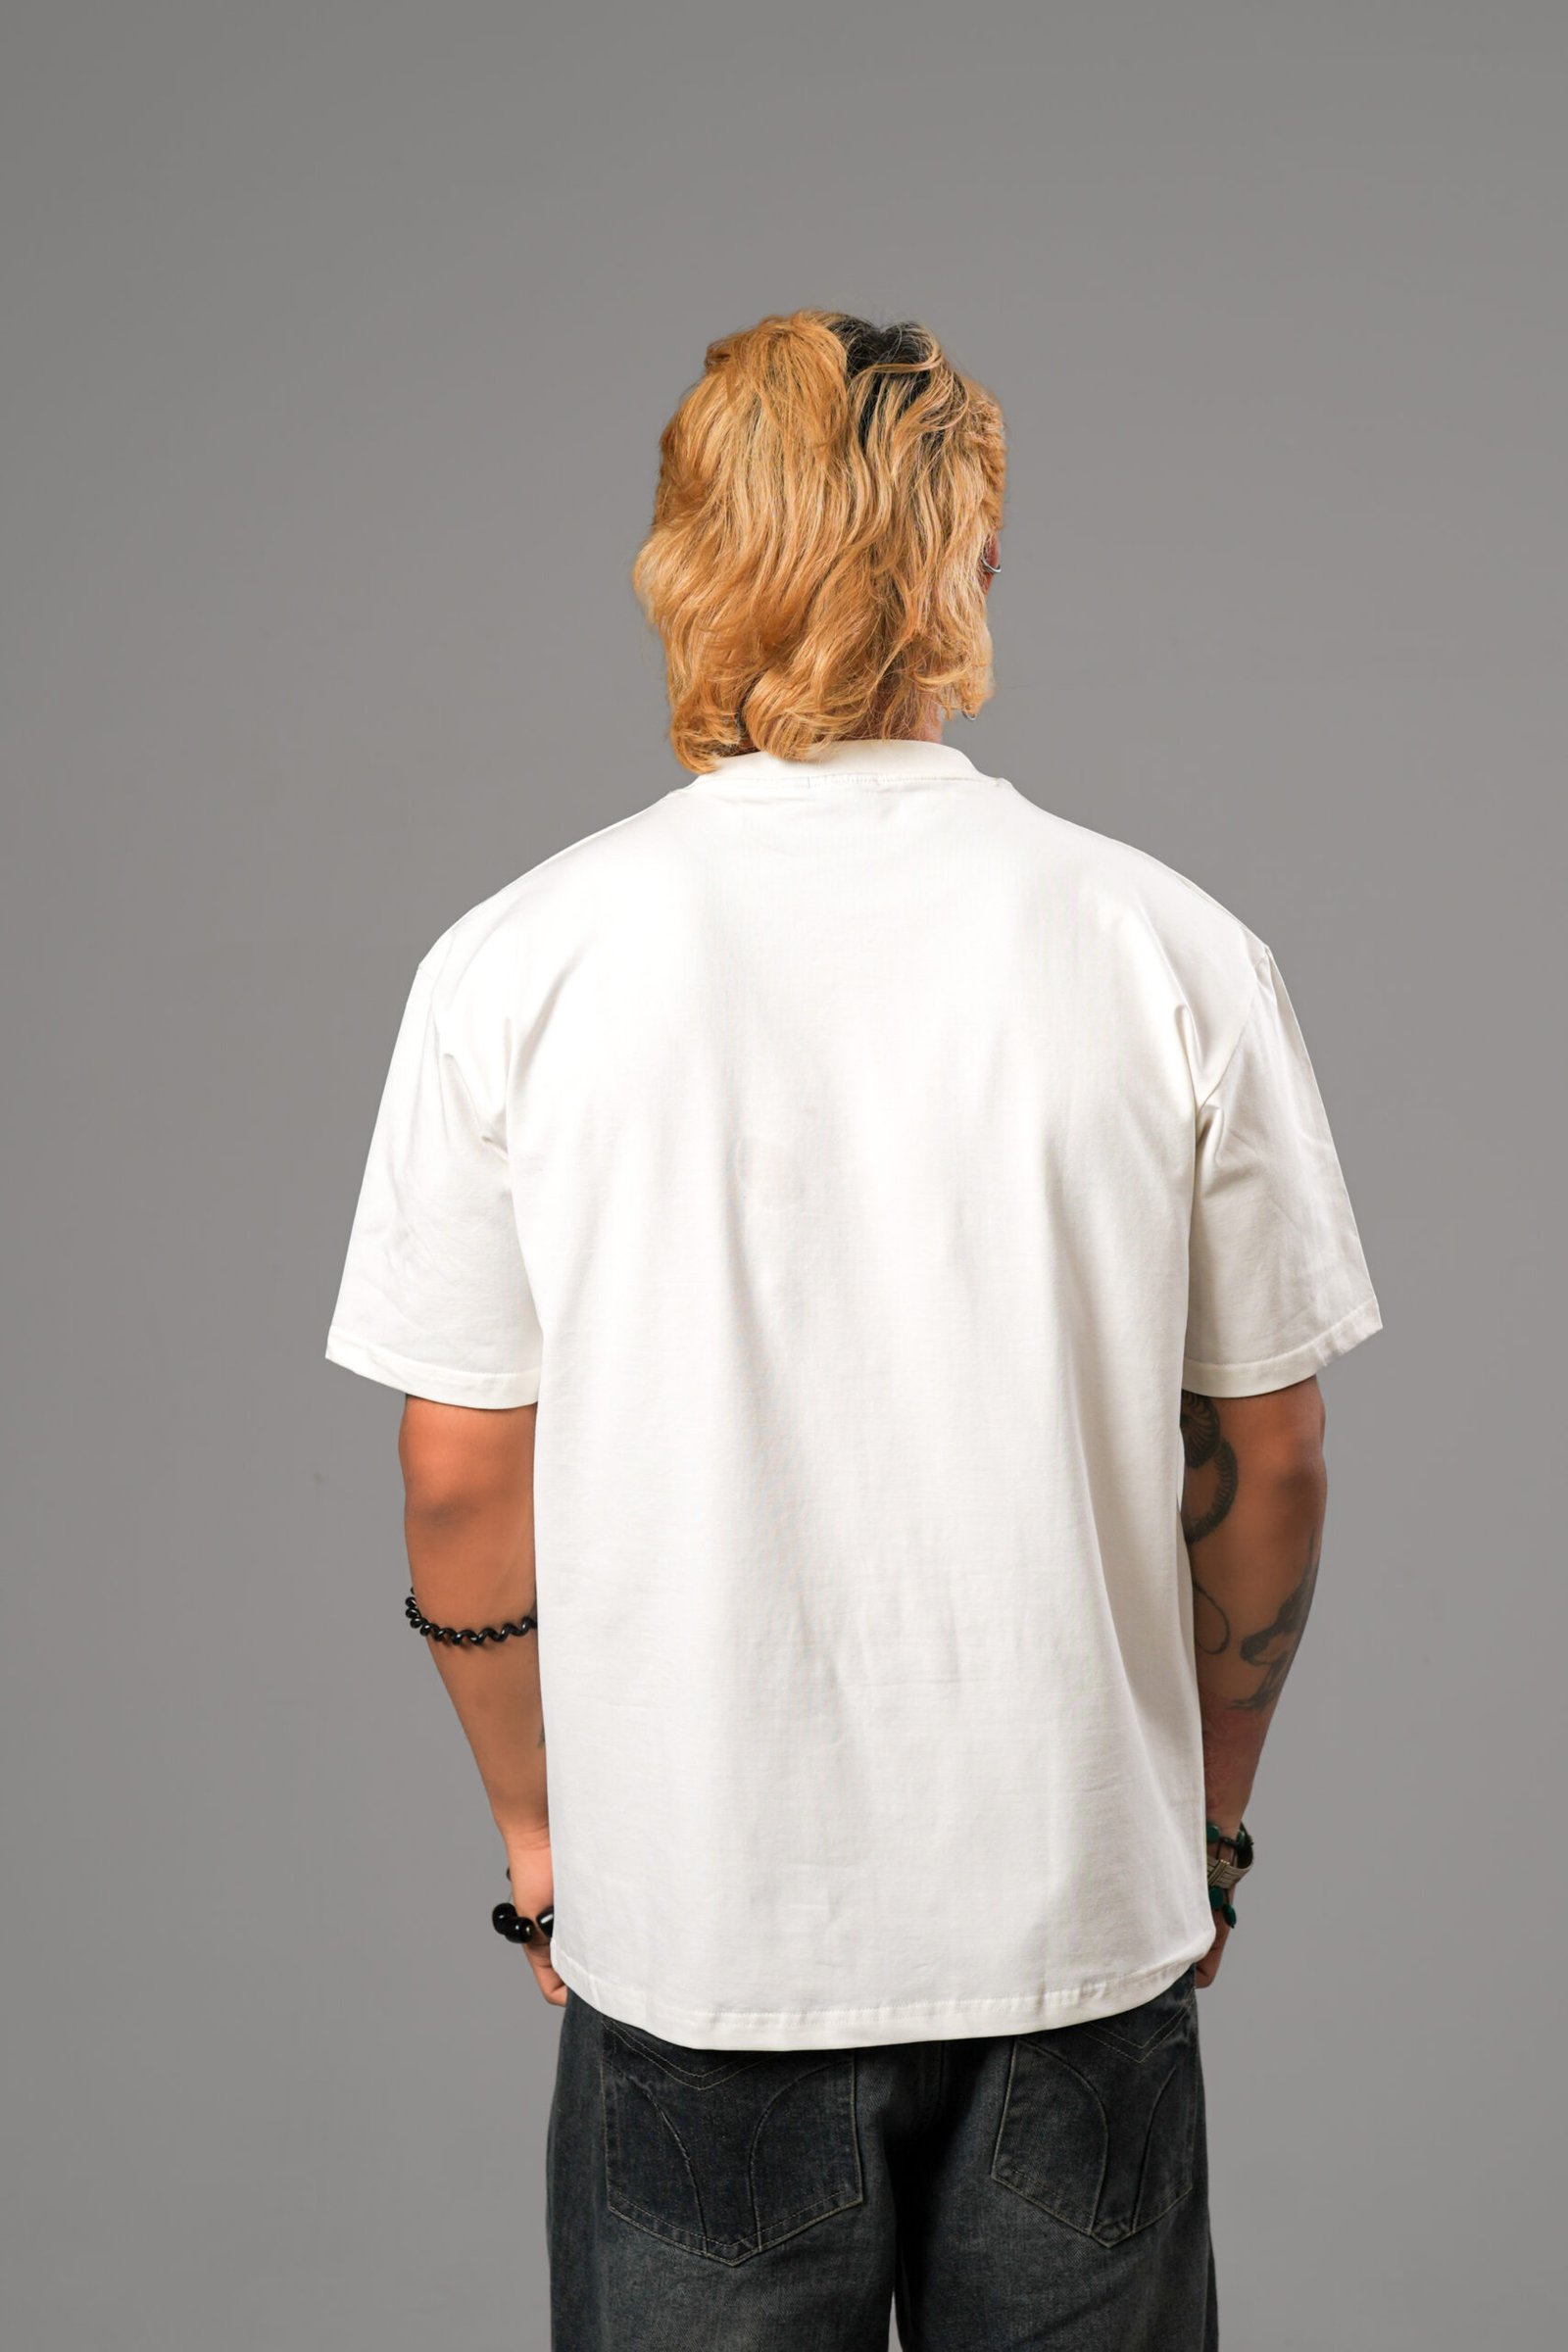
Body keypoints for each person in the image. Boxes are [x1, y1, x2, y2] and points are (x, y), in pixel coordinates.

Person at [323, 308, 1382, 2350]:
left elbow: (456, 1472)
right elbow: (1268, 1458)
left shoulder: (517, 967)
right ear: (967, 556)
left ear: (686, 556)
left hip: (701, 1939)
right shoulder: (1164, 946)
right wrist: (1205, 1821)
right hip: (1079, 1929)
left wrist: (542, 1839)